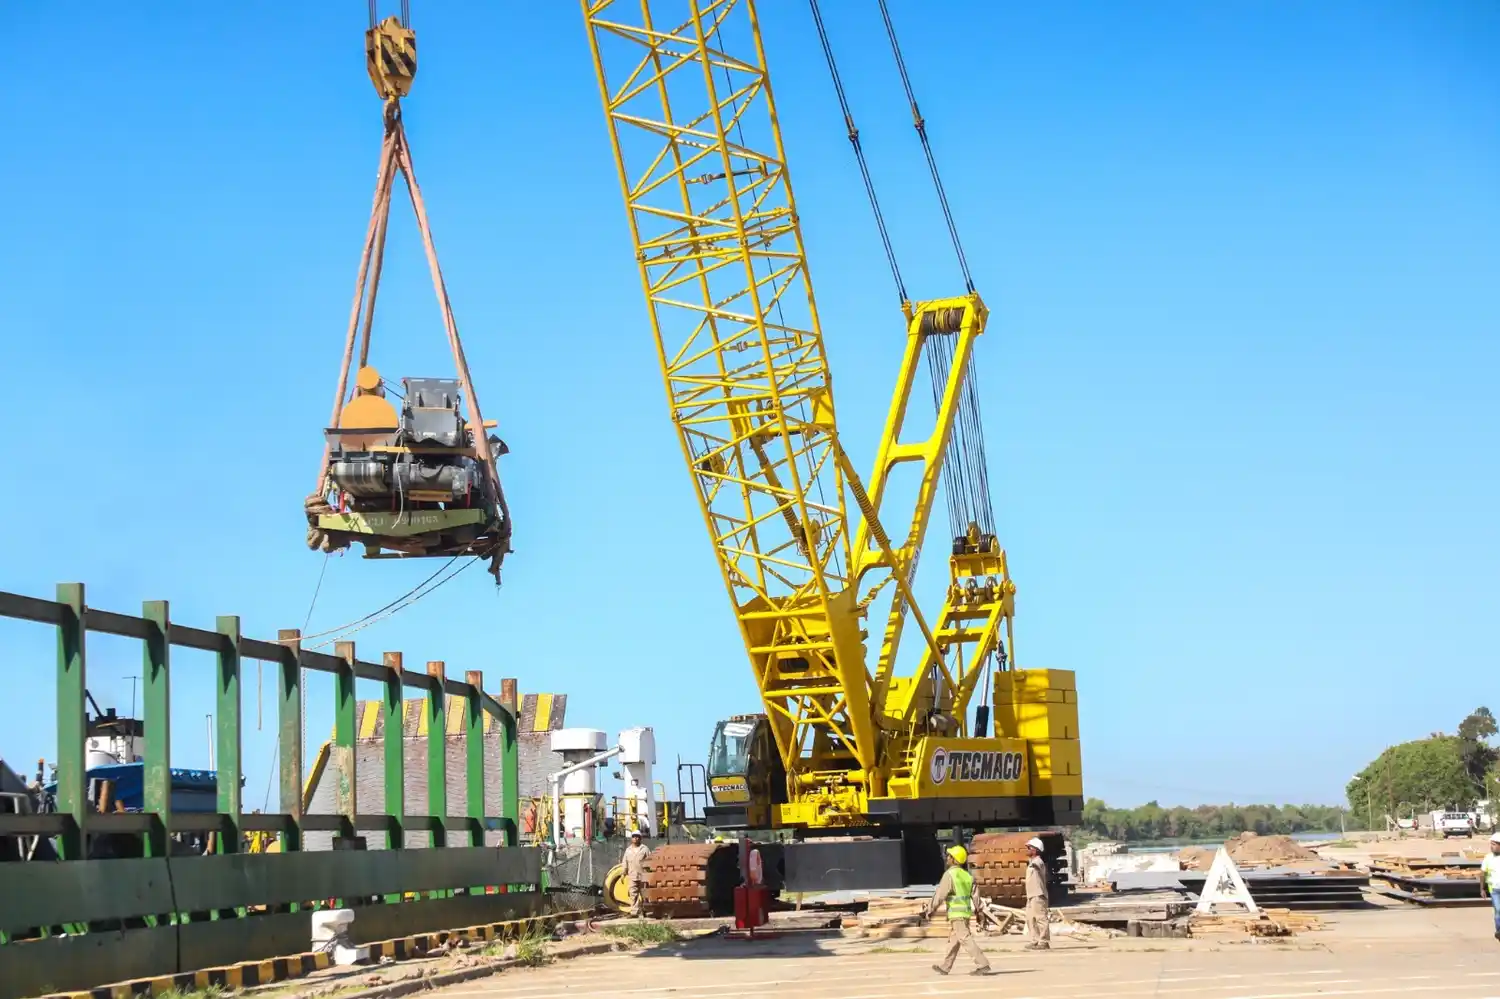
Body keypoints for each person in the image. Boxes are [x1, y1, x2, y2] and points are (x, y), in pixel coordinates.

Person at [924, 844, 993, 976]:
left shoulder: (949, 875)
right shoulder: (967, 876)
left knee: (965, 938)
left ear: (955, 860)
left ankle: (983, 964)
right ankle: (945, 967)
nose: (947, 858)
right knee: (955, 941)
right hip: (965, 913)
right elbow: (976, 895)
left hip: (956, 913)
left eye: (949, 856)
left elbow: (940, 895)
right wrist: (979, 911)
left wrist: (929, 910)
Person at [1025, 837, 1051, 950]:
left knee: (1041, 918)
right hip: (1031, 895)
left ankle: (1044, 941)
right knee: (1030, 919)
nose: (1027, 849)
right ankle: (1034, 940)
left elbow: (1039, 866)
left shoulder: (1038, 862)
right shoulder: (1032, 862)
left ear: (1035, 850)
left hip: (1038, 895)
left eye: (1029, 848)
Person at [622, 830, 651, 918]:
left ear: (640, 838)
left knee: (644, 894)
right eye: (634, 836)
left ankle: (644, 910)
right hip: (632, 875)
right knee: (633, 894)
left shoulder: (645, 849)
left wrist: (650, 873)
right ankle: (634, 912)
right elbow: (625, 862)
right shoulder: (628, 850)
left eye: (638, 836)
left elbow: (650, 860)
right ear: (632, 838)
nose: (636, 838)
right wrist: (623, 873)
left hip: (643, 875)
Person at [1482, 832, 1500, 942]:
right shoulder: (1488, 858)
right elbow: (1482, 873)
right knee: (1498, 910)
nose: (1491, 847)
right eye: (1491, 844)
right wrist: (1482, 888)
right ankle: (1499, 931)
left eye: (1494, 844)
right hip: (1495, 890)